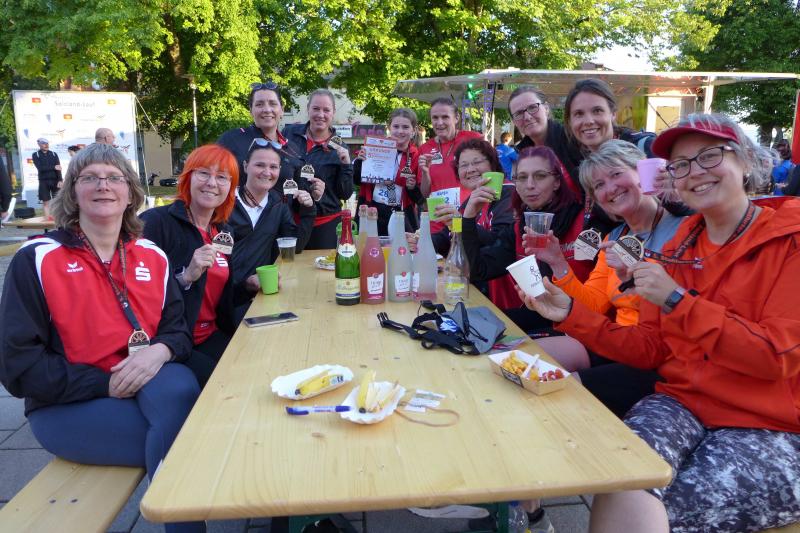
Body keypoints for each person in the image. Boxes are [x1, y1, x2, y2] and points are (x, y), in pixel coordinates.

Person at [518, 114, 800, 533]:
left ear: (745, 160)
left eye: (709, 156)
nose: (695, 172)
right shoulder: (674, 246)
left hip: (770, 424)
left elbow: (774, 358)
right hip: (682, 402)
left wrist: (676, 299)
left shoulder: (790, 241)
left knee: (666, 511)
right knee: (621, 480)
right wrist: (569, 314)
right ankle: (531, 514)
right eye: (681, 165)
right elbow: (650, 348)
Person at [0, 143, 202, 533]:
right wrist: (104, 383)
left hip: (151, 386)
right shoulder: (37, 259)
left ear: (130, 192)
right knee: (190, 441)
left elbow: (177, 331)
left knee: (179, 389)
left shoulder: (153, 256)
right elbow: (18, 366)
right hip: (69, 405)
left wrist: (158, 351)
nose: (103, 185)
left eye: (114, 178)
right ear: (72, 191)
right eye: (89, 177)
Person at [530, 140, 684, 415]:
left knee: (557, 392)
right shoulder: (615, 237)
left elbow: (681, 307)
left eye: (616, 174)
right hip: (617, 343)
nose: (609, 188)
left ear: (643, 172)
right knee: (530, 360)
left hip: (662, 359)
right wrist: (558, 263)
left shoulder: (684, 229)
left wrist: (637, 272)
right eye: (598, 185)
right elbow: (593, 305)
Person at [141, 144, 242, 388]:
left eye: (222, 177)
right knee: (225, 384)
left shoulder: (223, 232)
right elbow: (138, 294)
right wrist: (185, 277)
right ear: (188, 178)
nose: (212, 183)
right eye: (204, 173)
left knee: (253, 365)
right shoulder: (155, 223)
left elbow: (218, 293)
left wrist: (249, 285)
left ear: (231, 187)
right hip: (171, 342)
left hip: (211, 334)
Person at [462, 145, 586, 332]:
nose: (529, 185)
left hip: (581, 327)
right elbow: (477, 270)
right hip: (540, 319)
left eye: (540, 176)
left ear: (556, 182)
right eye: (522, 177)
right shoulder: (519, 227)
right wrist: (468, 218)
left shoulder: (582, 222)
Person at [229, 139, 315, 320]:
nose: (267, 172)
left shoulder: (278, 204)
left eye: (273, 167)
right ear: (245, 166)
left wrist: (308, 210)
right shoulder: (226, 202)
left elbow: (295, 245)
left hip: (258, 295)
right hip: (224, 299)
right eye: (260, 165)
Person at [282, 89, 354, 249]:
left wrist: (346, 166)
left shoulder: (340, 148)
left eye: (326, 110)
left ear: (333, 112)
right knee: (289, 264)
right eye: (316, 108)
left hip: (324, 224)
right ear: (308, 109)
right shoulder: (289, 134)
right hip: (290, 220)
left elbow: (345, 193)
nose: (320, 114)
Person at [423, 138, 514, 257]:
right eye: (464, 165)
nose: (470, 170)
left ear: (492, 164)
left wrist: (463, 223)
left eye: (477, 162)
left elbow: (499, 245)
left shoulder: (508, 193)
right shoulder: (473, 197)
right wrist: (421, 241)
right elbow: (447, 237)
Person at [417, 97, 482, 233]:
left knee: (460, 245)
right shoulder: (425, 148)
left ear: (456, 118)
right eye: (435, 118)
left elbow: (489, 173)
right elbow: (425, 193)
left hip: (465, 217)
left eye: (445, 117)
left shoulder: (473, 139)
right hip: (437, 221)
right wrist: (425, 172)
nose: (439, 123)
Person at [354, 108, 422, 235]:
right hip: (372, 210)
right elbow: (356, 180)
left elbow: (420, 198)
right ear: (389, 127)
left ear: (413, 130)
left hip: (401, 214)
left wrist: (412, 187)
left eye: (405, 127)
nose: (400, 131)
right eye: (396, 126)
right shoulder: (374, 148)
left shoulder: (417, 156)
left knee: (401, 247)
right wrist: (360, 162)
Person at [32, 137, 62, 217]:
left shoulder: (54, 154)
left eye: (47, 143)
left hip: (55, 180)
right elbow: (40, 168)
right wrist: (53, 167)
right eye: (44, 143)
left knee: (57, 202)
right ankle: (47, 221)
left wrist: (60, 180)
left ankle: (58, 219)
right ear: (39, 144)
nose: (46, 145)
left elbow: (58, 168)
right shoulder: (36, 155)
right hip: (43, 181)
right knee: (46, 202)